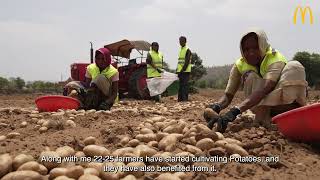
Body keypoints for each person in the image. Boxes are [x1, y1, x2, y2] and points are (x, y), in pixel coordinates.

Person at [205, 29, 308, 133]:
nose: (250, 53)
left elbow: (264, 89)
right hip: (260, 107)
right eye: (246, 49)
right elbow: (228, 96)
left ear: (263, 45)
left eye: (255, 48)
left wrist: (234, 111)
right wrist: (216, 107)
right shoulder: (240, 64)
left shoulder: (275, 58)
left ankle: (297, 113)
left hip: (285, 103)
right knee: (249, 76)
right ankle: (263, 117)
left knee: (295, 66)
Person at [176, 36, 192, 102]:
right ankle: (180, 100)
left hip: (185, 71)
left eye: (182, 41)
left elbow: (187, 61)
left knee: (184, 85)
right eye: (179, 41)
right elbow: (180, 61)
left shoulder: (187, 50)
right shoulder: (181, 50)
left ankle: (185, 100)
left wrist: (182, 70)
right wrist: (177, 70)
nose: (180, 42)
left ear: (185, 41)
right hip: (180, 71)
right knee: (180, 85)